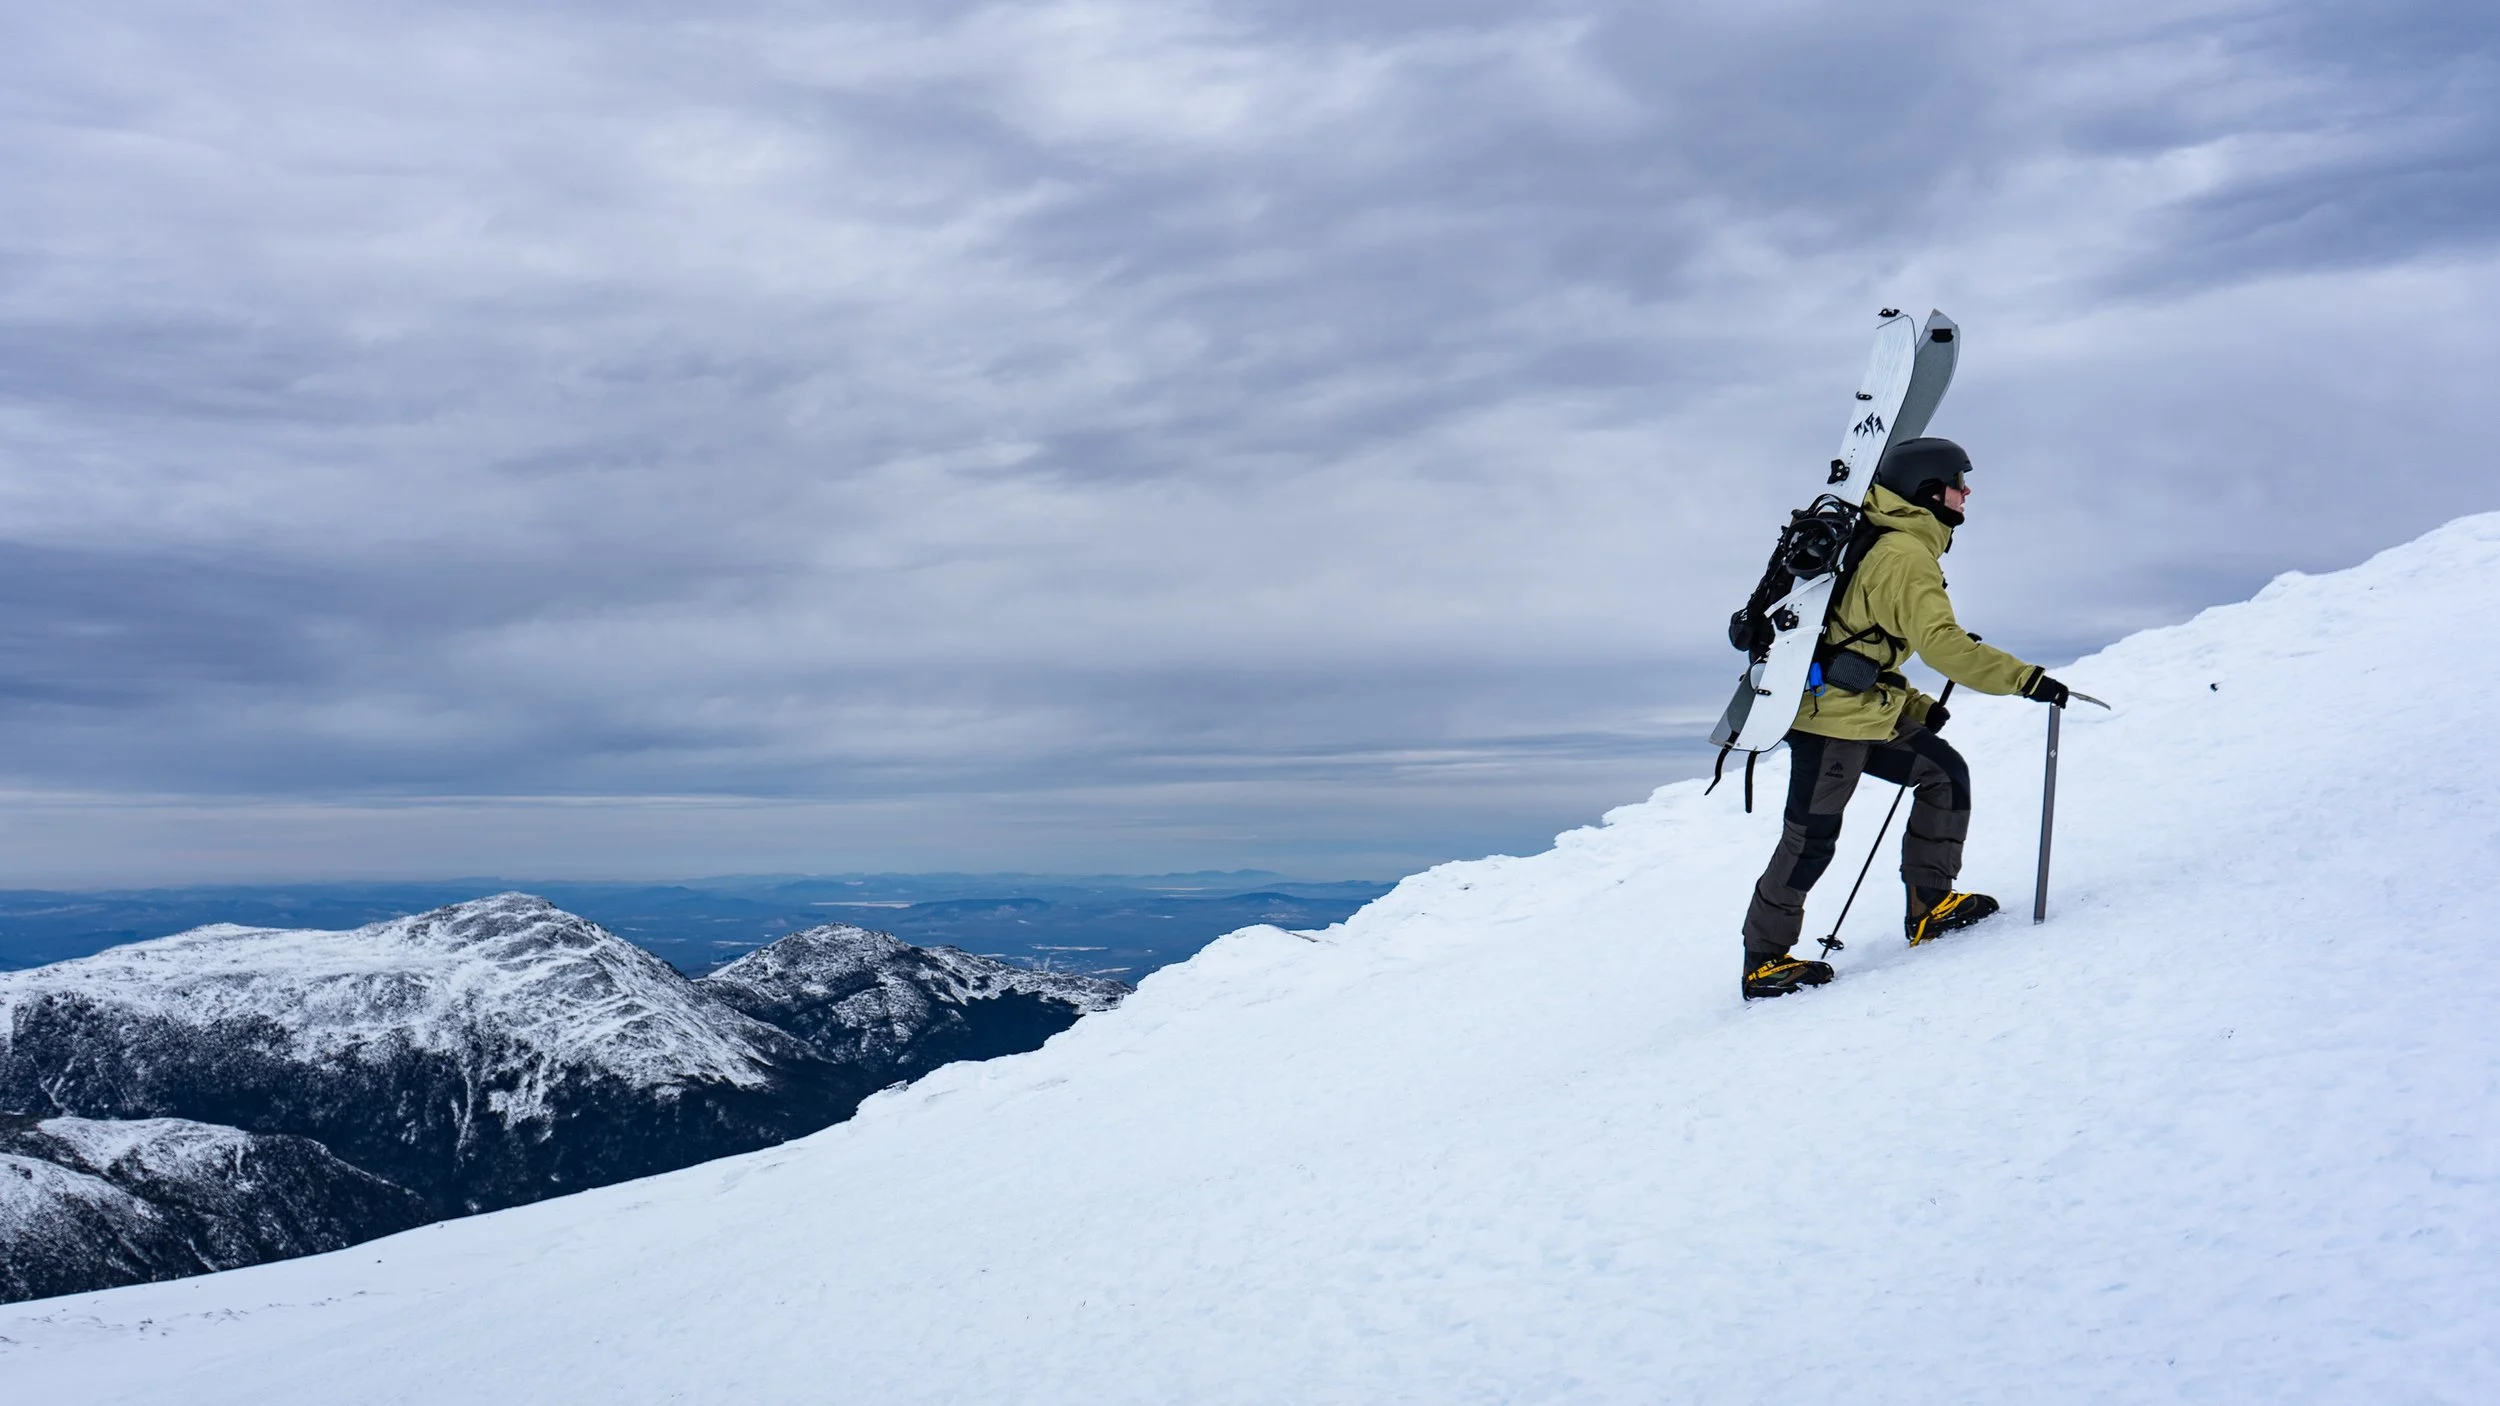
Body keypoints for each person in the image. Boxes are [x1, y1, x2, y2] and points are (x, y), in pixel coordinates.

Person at [1741, 437, 2073, 1000]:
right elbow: (1942, 644)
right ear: (1927, 490)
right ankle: (1763, 962)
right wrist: (2025, 679)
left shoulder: (1891, 540)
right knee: (1811, 837)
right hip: (1831, 721)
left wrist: (1913, 705)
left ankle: (1929, 906)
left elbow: (1861, 638)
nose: (1966, 492)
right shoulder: (1904, 555)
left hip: (1864, 708)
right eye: (1958, 482)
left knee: (1943, 774)